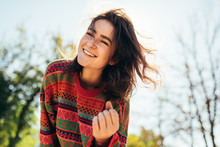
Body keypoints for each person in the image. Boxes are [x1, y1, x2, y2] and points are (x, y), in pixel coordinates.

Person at [40, 9, 160, 147]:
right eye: (90, 34)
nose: (90, 43)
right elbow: (46, 138)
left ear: (114, 58)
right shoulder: (55, 76)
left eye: (103, 42)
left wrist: (103, 141)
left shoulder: (117, 102)